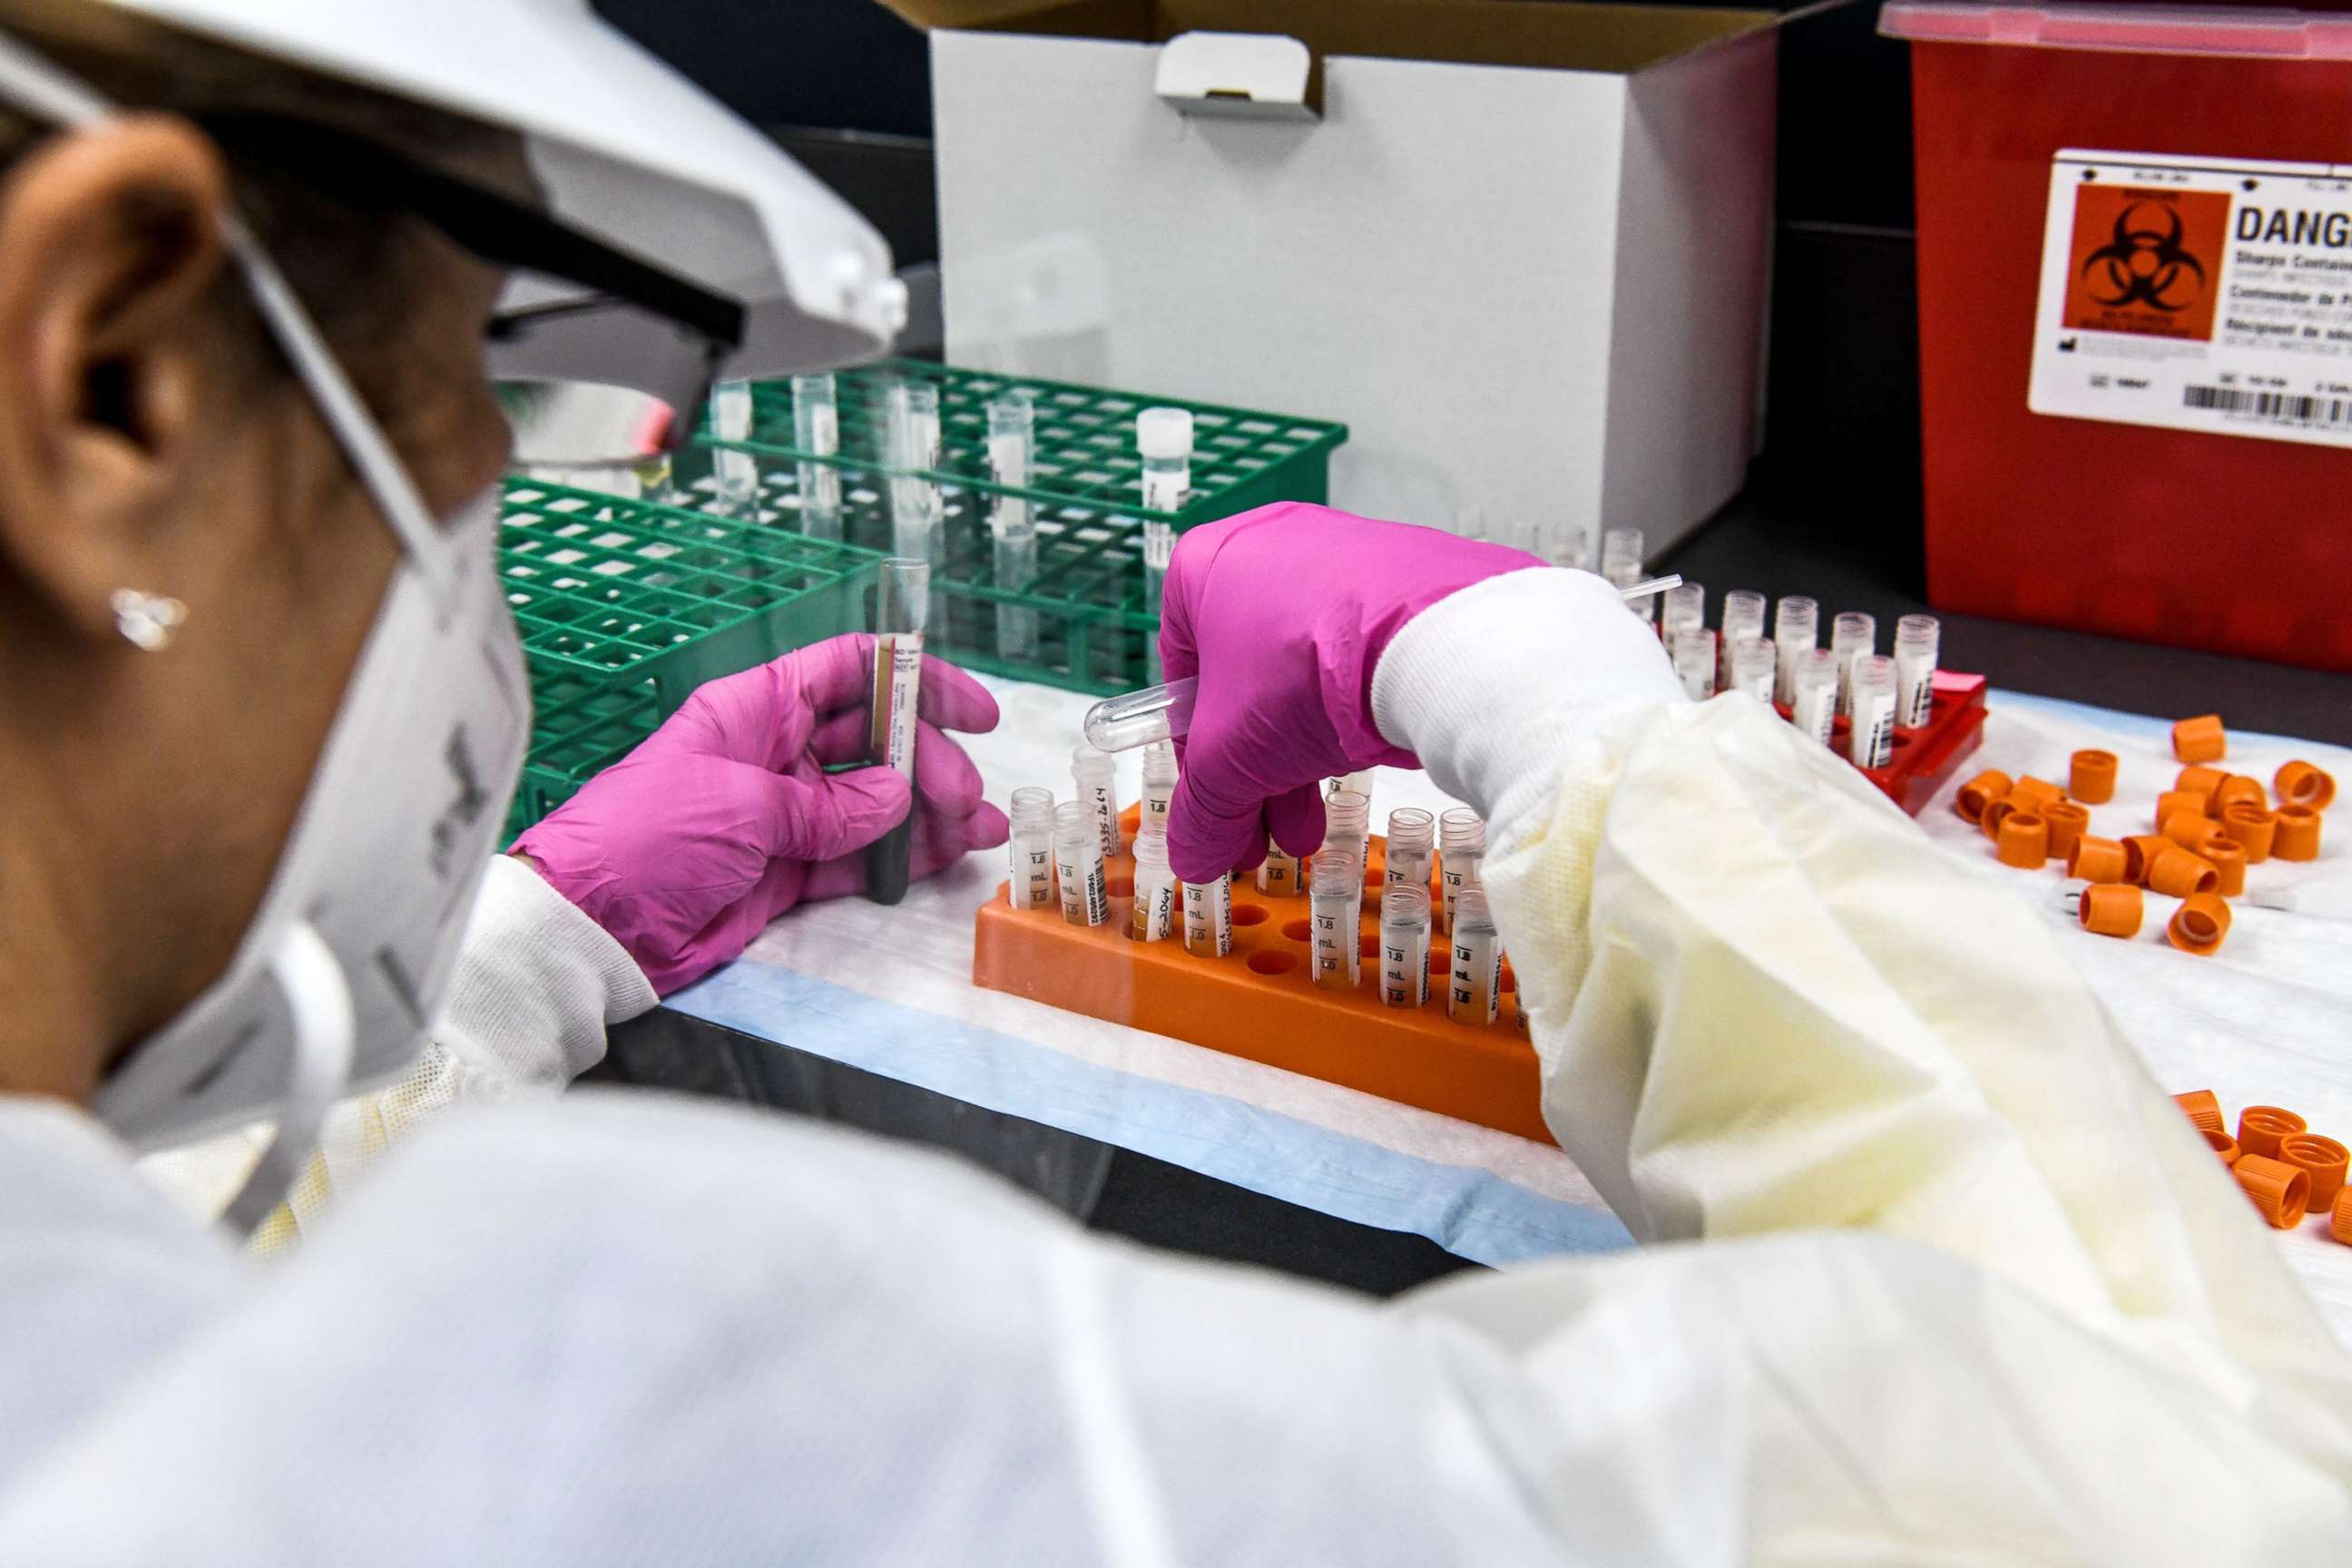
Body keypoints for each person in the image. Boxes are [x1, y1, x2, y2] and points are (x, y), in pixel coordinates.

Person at [0, 3, 2345, 1563]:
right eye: (471, 408)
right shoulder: (649, 1422)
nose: (484, 553)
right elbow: (2164, 1485)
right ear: (110, 381)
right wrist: (1572, 716)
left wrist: (528, 952)